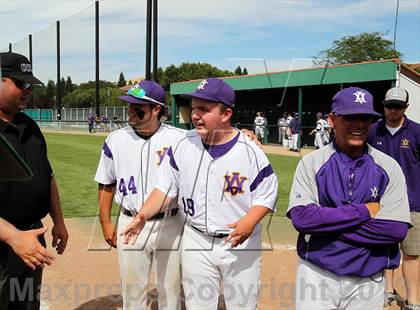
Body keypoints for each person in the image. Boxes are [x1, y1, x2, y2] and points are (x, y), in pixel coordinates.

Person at [121, 78, 278, 309]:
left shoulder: (250, 151)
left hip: (239, 242)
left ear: (226, 114)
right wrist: (143, 214)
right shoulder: (183, 144)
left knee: (242, 304)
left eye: (204, 109)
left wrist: (250, 221)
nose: (195, 115)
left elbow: (266, 194)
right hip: (196, 239)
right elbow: (165, 188)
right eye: (194, 107)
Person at [287, 86, 411, 309]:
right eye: (351, 117)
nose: (360, 124)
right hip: (317, 274)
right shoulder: (312, 162)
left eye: (366, 118)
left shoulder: (388, 167)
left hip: (368, 279)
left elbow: (395, 230)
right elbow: (302, 219)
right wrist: (363, 212)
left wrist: (325, 226)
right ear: (332, 120)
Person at [95, 80, 185, 309]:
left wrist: (245, 133)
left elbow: (218, 138)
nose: (130, 111)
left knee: (170, 290)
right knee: (132, 291)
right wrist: (106, 222)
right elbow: (106, 183)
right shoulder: (115, 140)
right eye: (129, 106)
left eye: (138, 107)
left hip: (171, 223)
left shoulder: (180, 139)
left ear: (157, 110)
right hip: (130, 220)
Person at [0, 51, 68, 309]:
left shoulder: (30, 126)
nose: (28, 90)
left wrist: (58, 221)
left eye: (30, 84)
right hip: (4, 244)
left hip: (33, 236)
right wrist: (13, 236)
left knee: (28, 304)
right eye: (21, 83)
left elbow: (46, 175)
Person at [368, 87, 420, 310]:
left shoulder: (417, 132)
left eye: (398, 107)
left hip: (412, 203)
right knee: (385, 250)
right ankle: (388, 291)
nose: (393, 111)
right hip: (380, 203)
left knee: (412, 254)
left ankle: (413, 300)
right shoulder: (372, 131)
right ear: (384, 106)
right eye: (390, 106)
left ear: (406, 108)